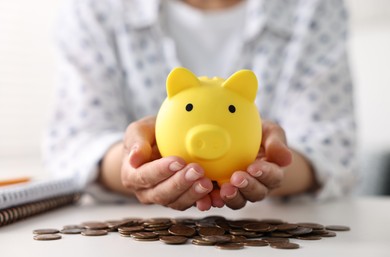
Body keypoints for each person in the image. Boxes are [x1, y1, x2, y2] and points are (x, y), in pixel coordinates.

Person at [43, 0, 357, 211]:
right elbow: (74, 144)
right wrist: (136, 162)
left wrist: (270, 167)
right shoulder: (95, 7)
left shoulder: (315, 6)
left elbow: (331, 149)